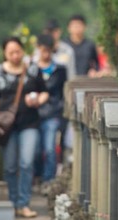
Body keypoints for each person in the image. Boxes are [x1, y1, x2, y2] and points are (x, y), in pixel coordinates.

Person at [0, 36, 48, 218]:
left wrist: (38, 100)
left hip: (29, 122)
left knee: (27, 162)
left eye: (18, 51)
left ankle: (24, 203)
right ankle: (12, 203)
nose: (15, 55)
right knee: (10, 166)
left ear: (23, 51)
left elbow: (45, 92)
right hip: (7, 126)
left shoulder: (32, 69)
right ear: (5, 54)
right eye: (11, 52)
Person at [35, 34, 67, 195]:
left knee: (49, 148)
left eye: (48, 51)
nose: (45, 54)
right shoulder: (31, 69)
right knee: (35, 149)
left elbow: (62, 94)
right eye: (42, 51)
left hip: (52, 113)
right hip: (33, 115)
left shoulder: (60, 70)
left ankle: (48, 180)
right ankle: (37, 177)